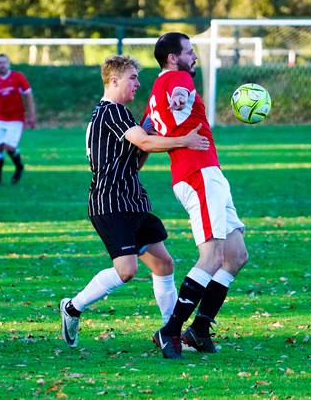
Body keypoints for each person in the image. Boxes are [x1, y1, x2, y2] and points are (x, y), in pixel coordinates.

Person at [59, 55, 210, 348]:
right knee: (127, 271)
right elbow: (145, 143)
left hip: (133, 201)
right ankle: (72, 307)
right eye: (132, 78)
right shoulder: (111, 112)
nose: (138, 84)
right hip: (111, 203)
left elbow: (137, 159)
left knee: (164, 264)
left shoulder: (121, 115)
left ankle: (171, 332)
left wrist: (150, 135)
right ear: (113, 81)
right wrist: (183, 141)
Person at [143, 32, 249, 359]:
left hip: (207, 173)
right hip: (198, 173)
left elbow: (148, 127)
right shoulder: (177, 78)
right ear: (173, 57)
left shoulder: (155, 93)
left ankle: (199, 330)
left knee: (235, 255)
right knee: (212, 256)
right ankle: (170, 330)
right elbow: (179, 92)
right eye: (189, 52)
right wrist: (177, 97)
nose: (194, 57)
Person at [0, 53, 36, 185]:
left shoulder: (18, 77)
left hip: (16, 119)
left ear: (9, 63)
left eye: (4, 62)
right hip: (0, 119)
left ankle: (19, 167)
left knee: (9, 147)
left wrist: (31, 116)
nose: (2, 65)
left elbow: (29, 96)